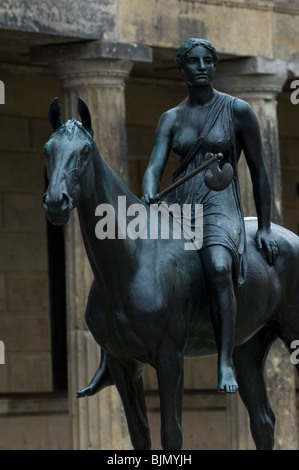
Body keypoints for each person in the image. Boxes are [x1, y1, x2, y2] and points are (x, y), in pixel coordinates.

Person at [142, 38, 279, 393]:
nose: (201, 66)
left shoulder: (238, 111)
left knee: (218, 266)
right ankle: (113, 356)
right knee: (132, 261)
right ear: (182, 69)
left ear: (215, 66)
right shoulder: (170, 118)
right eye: (193, 61)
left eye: (208, 61)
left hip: (220, 203)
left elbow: (260, 172)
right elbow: (154, 167)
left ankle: (225, 359)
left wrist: (263, 227)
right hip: (180, 204)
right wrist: (148, 192)